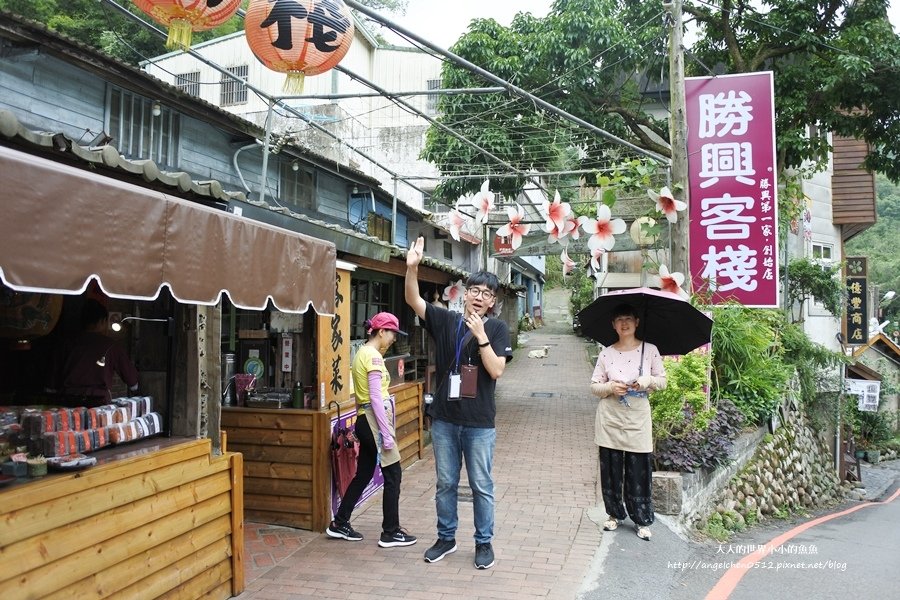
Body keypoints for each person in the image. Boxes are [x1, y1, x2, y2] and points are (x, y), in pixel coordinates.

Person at [405, 236, 513, 569]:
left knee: (481, 485)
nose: (479, 297)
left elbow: (495, 371)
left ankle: (484, 543)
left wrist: (481, 337)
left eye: (486, 294)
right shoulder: (446, 320)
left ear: (492, 301)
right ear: (465, 293)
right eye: (475, 291)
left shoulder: (497, 329)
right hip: (445, 420)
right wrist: (411, 269)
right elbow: (414, 301)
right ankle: (446, 538)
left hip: (479, 422)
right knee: (446, 483)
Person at [326, 312, 418, 548]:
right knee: (393, 474)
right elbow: (376, 397)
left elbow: (361, 396)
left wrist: (361, 422)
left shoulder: (361, 354)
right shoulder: (374, 358)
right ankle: (390, 531)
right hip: (374, 420)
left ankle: (340, 522)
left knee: (364, 473)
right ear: (380, 331)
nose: (393, 339)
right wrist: (385, 433)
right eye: (392, 333)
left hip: (365, 418)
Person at [589, 303, 667, 541]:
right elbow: (594, 386)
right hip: (610, 418)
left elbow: (663, 382)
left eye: (629, 319)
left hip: (638, 419)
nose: (624, 323)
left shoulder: (650, 350)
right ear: (613, 325)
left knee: (639, 470)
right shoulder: (606, 353)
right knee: (611, 469)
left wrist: (646, 381)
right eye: (619, 319)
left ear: (637, 322)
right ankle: (614, 514)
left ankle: (642, 519)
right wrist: (611, 387)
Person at [53, 299, 139, 405]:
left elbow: (50, 385)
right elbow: (133, 382)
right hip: (98, 405)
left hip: (67, 402)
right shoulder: (111, 346)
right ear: (102, 321)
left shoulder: (66, 343)